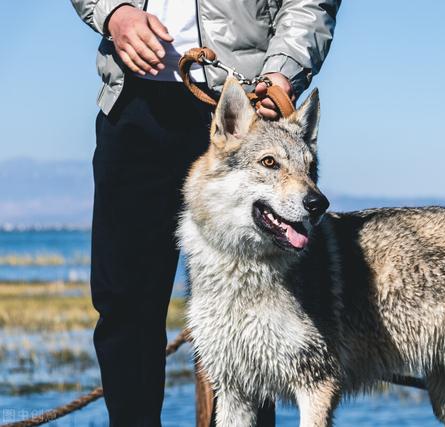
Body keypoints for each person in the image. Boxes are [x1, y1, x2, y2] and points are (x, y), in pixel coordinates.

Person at [70, 0, 340, 424]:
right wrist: (114, 13)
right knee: (124, 301)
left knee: (257, 304)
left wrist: (285, 67)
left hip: (244, 103)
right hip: (135, 104)